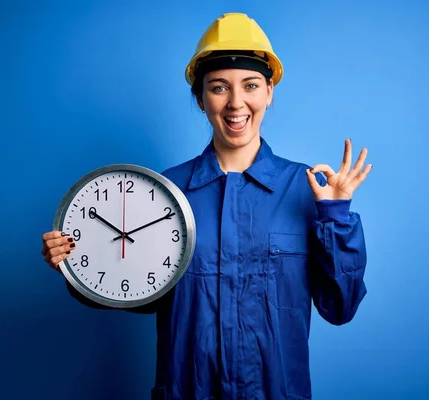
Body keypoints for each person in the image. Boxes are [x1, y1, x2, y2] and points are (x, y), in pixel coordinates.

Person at [41, 12, 371, 400]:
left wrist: (335, 218)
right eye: (218, 87)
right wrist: (75, 263)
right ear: (200, 98)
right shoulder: (164, 193)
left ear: (269, 92)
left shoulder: (307, 191)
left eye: (250, 85)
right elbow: (139, 292)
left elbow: (340, 307)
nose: (236, 103)